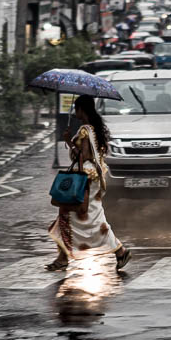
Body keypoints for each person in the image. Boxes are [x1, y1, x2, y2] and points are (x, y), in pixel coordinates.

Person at [46, 94, 131, 272]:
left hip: (84, 177)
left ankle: (64, 258)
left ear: (81, 109)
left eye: (76, 108)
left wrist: (69, 141)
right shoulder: (96, 129)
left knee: (68, 215)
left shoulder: (85, 130)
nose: (75, 112)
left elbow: (83, 155)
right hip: (94, 178)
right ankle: (64, 258)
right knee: (91, 218)